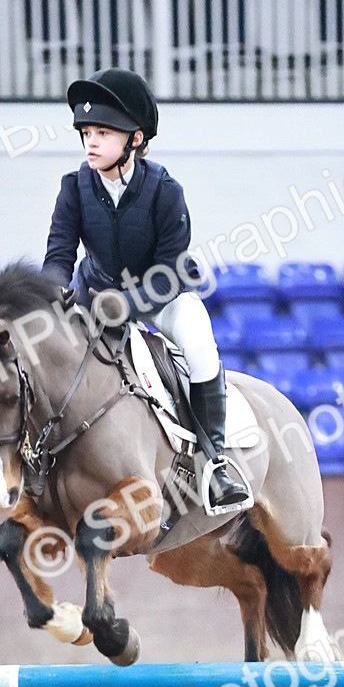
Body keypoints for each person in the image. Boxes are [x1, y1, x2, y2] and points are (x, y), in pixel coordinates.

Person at [42, 67, 249, 510]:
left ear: (134, 139)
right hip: (94, 298)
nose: (90, 142)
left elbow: (170, 271)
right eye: (86, 133)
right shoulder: (74, 188)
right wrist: (55, 292)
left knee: (199, 344)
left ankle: (215, 462)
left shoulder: (164, 191)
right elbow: (59, 255)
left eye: (102, 133)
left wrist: (129, 303)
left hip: (160, 299)